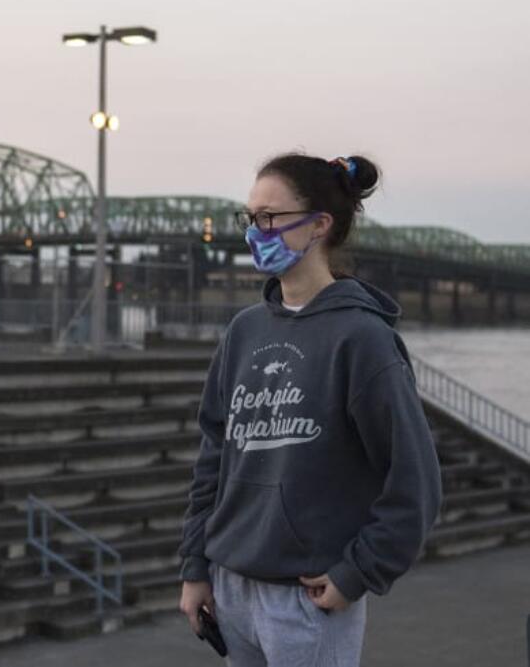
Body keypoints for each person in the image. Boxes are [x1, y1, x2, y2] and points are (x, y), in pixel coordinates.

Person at [177, 153, 443, 666]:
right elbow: (213, 457)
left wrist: (358, 573)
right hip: (231, 589)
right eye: (250, 217)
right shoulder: (244, 331)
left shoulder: (363, 339)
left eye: (271, 218)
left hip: (307, 600)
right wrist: (196, 566)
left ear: (320, 225)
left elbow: (416, 480)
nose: (256, 231)